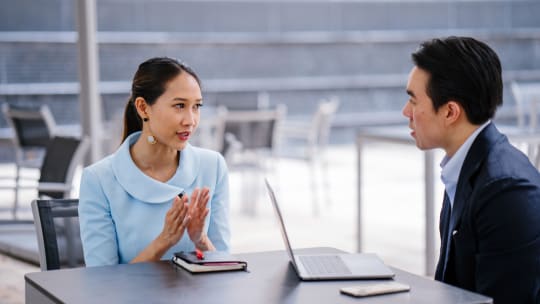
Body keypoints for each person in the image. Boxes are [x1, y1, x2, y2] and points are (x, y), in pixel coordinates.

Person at [403, 36, 540, 303]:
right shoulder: (466, 167)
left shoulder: (505, 191)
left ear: (450, 112)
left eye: (414, 101)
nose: (405, 111)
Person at [79, 57, 230, 266]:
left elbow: (226, 269)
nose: (191, 120)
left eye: (196, 106)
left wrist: (201, 240)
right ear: (143, 108)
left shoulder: (213, 167)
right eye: (179, 106)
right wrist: (163, 241)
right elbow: (102, 282)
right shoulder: (99, 180)